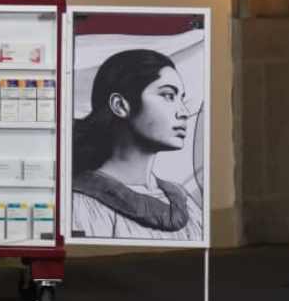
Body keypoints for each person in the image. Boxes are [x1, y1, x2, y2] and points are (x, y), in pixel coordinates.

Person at [71, 49, 203, 240]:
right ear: (120, 105)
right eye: (168, 95)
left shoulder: (184, 201)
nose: (183, 112)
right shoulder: (80, 205)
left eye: (181, 98)